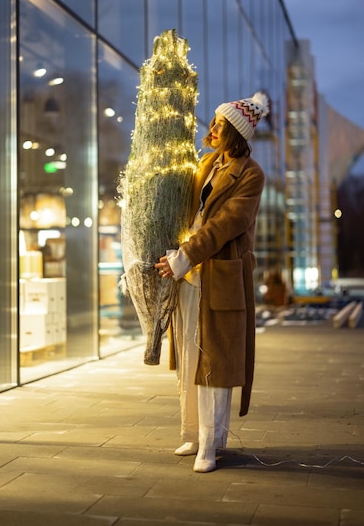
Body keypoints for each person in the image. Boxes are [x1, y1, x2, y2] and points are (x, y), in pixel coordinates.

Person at [155, 91, 269, 473]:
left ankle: (210, 444)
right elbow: (189, 211)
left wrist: (185, 254)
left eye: (220, 124)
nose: (213, 128)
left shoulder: (251, 175)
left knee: (214, 361)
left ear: (236, 132)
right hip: (189, 273)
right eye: (215, 122)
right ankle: (194, 434)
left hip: (219, 275)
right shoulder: (207, 163)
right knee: (190, 356)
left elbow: (225, 226)